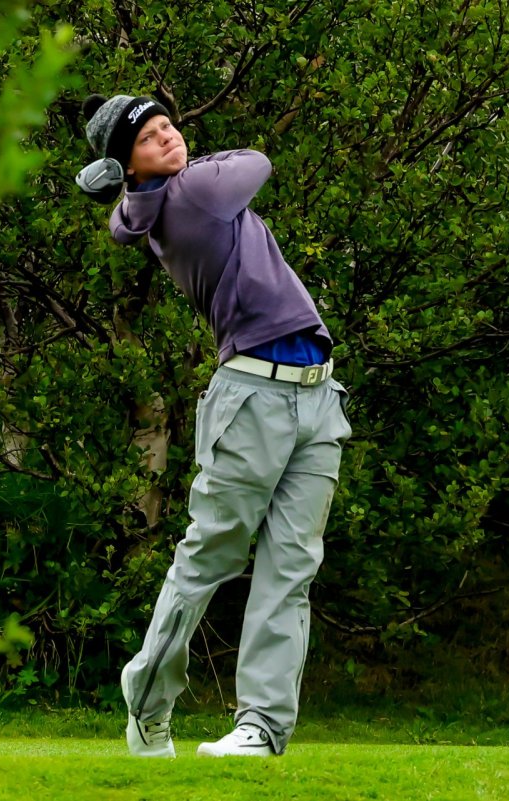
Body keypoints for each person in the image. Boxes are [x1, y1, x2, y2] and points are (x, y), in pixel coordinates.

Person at [75, 93, 352, 758]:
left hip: (317, 394)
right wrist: (161, 176)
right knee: (211, 556)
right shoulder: (197, 191)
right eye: (149, 137)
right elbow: (256, 160)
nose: (169, 137)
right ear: (128, 164)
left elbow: (129, 214)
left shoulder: (162, 197)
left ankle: (262, 726)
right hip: (255, 395)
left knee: (291, 567)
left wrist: (129, 183)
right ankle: (148, 700)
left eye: (168, 125)